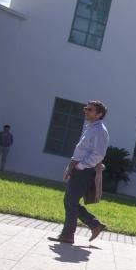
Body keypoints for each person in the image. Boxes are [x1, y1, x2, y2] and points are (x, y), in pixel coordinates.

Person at [49, 101, 109, 245]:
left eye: (90, 109)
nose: (85, 111)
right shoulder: (91, 128)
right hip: (78, 168)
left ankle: (68, 235)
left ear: (99, 114)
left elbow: (98, 154)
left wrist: (81, 166)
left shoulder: (99, 130)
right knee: (70, 201)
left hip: (84, 170)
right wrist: (70, 167)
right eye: (85, 108)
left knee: (70, 201)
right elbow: (81, 151)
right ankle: (94, 225)